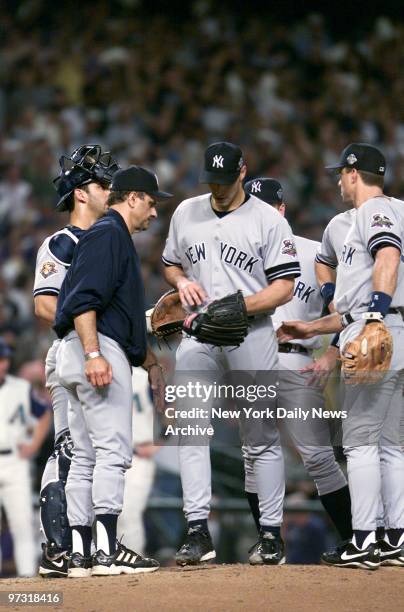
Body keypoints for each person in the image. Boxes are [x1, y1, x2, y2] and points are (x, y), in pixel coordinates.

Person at [162, 142, 301, 566]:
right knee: (190, 429)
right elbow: (170, 262)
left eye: (224, 180)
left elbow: (285, 287)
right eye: (211, 181)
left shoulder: (267, 220)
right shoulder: (186, 211)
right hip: (199, 332)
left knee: (259, 438)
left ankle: (272, 533)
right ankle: (197, 530)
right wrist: (181, 280)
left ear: (243, 171)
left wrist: (241, 306)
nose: (217, 188)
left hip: (251, 334)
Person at [279, 143, 404, 569]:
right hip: (391, 329)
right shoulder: (390, 212)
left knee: (360, 443)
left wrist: (375, 315)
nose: (337, 180)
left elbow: (388, 255)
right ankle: (394, 538)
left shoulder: (374, 211)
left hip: (379, 328)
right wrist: (313, 326)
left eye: (341, 173)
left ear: (355, 173)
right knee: (391, 444)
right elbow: (346, 297)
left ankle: (365, 538)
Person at [54, 166, 171, 577]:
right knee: (112, 453)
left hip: (84, 348)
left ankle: (82, 555)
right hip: (95, 349)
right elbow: (84, 298)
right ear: (133, 197)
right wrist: (93, 354)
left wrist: (150, 362)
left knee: (85, 457)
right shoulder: (108, 233)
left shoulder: (109, 235)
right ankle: (105, 551)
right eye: (152, 202)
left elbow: (111, 310)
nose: (155, 213)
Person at [243, 178, 352, 545]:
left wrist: (333, 355)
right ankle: (269, 543)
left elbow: (348, 309)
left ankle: (355, 540)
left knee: (319, 459)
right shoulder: (237, 258)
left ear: (281, 210)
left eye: (265, 206)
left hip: (297, 363)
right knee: (252, 456)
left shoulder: (313, 253)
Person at [33, 144, 120, 578]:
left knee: (97, 451)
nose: (110, 190)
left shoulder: (103, 239)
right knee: (70, 449)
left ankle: (87, 544)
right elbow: (45, 306)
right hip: (70, 351)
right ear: (81, 194)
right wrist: (87, 325)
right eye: (103, 184)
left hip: (98, 355)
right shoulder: (62, 242)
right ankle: (58, 548)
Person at [0, 338, 51, 577]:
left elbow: (43, 414)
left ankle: (27, 583)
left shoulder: (20, 387)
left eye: (4, 359)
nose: (2, 364)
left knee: (22, 526)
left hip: (15, 462)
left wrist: (34, 445)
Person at [117, 367, 158, 554]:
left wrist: (160, 442)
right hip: (108, 457)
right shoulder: (103, 372)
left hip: (138, 457)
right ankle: (113, 561)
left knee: (129, 515)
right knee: (110, 516)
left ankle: (135, 560)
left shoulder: (145, 378)